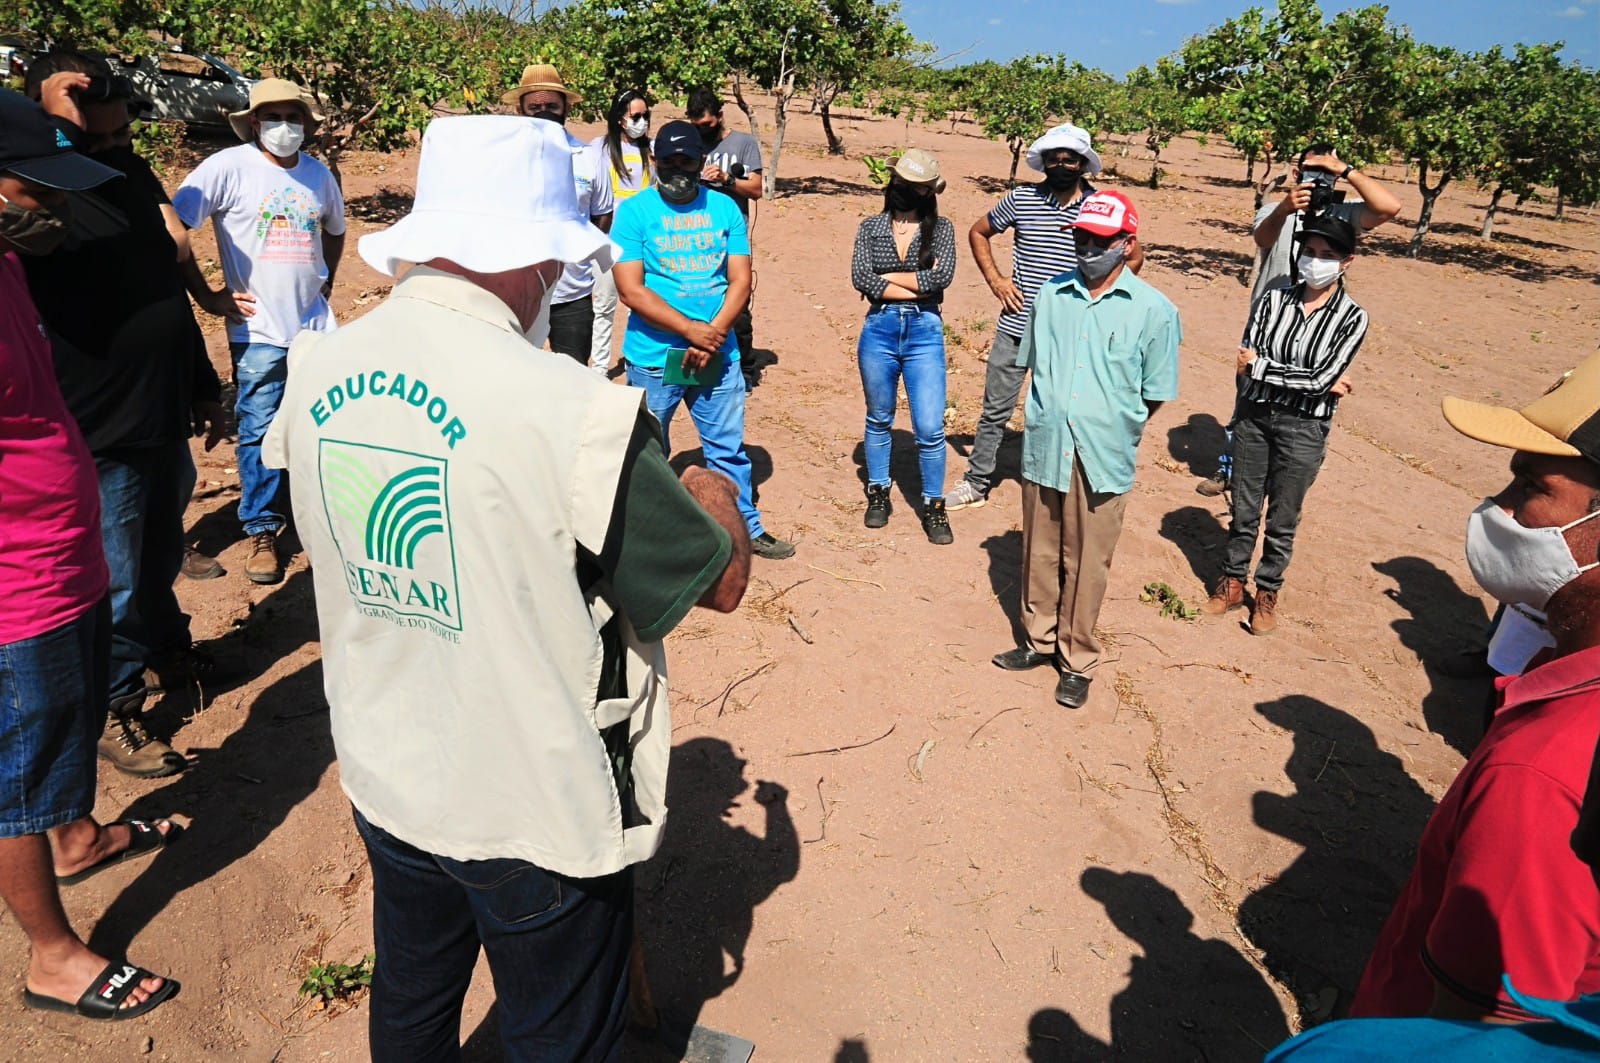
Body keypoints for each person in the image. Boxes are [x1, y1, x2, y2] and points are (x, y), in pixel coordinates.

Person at [261, 115, 752, 1062]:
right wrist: (712, 487)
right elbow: (721, 580)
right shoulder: (577, 414)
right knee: (561, 1027)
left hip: (386, 765)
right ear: (535, 259)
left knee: (412, 986)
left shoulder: (319, 366)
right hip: (531, 799)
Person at [0, 83, 179, 1025]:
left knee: (64, 722)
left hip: (59, 549)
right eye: (38, 191)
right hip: (14, 578)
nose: (56, 208)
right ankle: (54, 954)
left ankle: (76, 835)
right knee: (18, 770)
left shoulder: (9, 265)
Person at [1348, 353, 1600, 1021]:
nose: (1501, 509)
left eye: (1531, 486)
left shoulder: (1541, 771)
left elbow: (1493, 1029)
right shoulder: (1561, 682)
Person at [21, 50, 227, 779]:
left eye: (120, 137)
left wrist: (201, 380)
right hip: (95, 420)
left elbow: (164, 283)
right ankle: (113, 703)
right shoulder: (32, 198)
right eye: (90, 137)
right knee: (112, 570)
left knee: (159, 549)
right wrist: (46, 114)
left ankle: (165, 644)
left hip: (160, 404)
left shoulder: (131, 176)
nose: (109, 150)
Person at [991, 191, 1179, 709]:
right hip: (1046, 444)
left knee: (1087, 560)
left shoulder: (1155, 311)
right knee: (1040, 551)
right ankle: (1038, 640)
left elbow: (1155, 392)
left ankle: (1077, 660)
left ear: (1126, 244)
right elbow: (1030, 363)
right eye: (1080, 238)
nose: (1087, 248)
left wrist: (1109, 422)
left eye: (1100, 241)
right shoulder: (1050, 296)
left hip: (1102, 453)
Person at [174, 77, 346, 585]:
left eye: (294, 118)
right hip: (258, 327)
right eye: (274, 117)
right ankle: (264, 527)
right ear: (254, 122)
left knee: (320, 425)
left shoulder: (318, 175)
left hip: (314, 324)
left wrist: (327, 282)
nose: (284, 127)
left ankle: (319, 519)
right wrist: (207, 295)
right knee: (259, 426)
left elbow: (334, 231)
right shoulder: (228, 167)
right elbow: (175, 225)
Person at [612, 119, 796, 561]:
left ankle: (743, 528)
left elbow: (740, 279)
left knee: (727, 448)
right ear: (654, 161)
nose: (678, 169)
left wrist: (711, 334)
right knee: (648, 451)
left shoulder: (725, 209)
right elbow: (630, 290)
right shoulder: (635, 212)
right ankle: (647, 538)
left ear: (702, 162)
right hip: (655, 356)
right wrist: (691, 330)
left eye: (688, 161)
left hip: (719, 354)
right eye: (670, 161)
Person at [947, 124, 1143, 513]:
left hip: (1071, 332)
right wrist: (997, 280)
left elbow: (1133, 257)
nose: (1060, 162)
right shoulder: (1021, 199)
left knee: (1060, 412)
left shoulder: (1100, 207)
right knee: (995, 410)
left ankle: (1052, 487)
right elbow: (979, 232)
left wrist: (1099, 296)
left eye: (1069, 156)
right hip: (1017, 325)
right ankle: (976, 481)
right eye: (1053, 156)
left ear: (1083, 162)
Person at [1196, 144, 1400, 497]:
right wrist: (1287, 207)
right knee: (1249, 396)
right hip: (1267, 323)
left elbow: (1389, 208)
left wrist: (1345, 169)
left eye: (1326, 173)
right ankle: (1232, 467)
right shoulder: (1276, 209)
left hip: (1317, 327)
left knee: (1309, 398)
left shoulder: (1341, 214)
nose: (1318, 180)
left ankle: (1288, 474)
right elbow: (1262, 238)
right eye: (1311, 171)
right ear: (1296, 174)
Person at [1200, 213, 1367, 635]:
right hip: (1255, 418)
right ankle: (1233, 580)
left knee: (1284, 516)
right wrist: (1307, 379)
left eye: (1327, 255)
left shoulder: (1352, 317)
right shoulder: (1273, 300)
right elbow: (1248, 362)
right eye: (1309, 252)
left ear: (1346, 262)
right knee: (1244, 506)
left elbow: (1318, 379)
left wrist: (1266, 370)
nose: (1316, 261)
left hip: (1304, 428)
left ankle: (1268, 589)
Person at [849, 149, 957, 544]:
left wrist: (888, 281)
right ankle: (878, 491)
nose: (903, 191)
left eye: (913, 187)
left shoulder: (941, 229)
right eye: (900, 183)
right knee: (879, 417)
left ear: (928, 193)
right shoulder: (870, 227)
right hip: (878, 329)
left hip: (924, 332)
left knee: (929, 427)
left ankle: (934, 505)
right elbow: (861, 276)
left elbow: (941, 278)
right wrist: (913, 283)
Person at [501, 64, 614, 367]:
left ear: (565, 108)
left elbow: (601, 218)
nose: (544, 113)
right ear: (521, 111)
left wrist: (574, 258)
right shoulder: (503, 159)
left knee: (574, 379)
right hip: (514, 294)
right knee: (514, 377)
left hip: (571, 297)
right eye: (535, 107)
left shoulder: (588, 157)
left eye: (551, 106)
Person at [685, 88, 763, 389]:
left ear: (719, 116)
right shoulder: (690, 142)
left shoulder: (743, 144)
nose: (702, 130)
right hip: (694, 235)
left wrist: (726, 180)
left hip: (733, 236)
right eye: (696, 125)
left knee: (738, 305)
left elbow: (756, 189)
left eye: (707, 124)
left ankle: (745, 369)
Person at [589, 88, 653, 375]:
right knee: (604, 305)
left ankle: (634, 361)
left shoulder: (652, 151)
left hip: (643, 244)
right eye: (635, 116)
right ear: (619, 118)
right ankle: (599, 368)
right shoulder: (600, 149)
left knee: (639, 307)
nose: (641, 121)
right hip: (608, 243)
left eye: (645, 115)